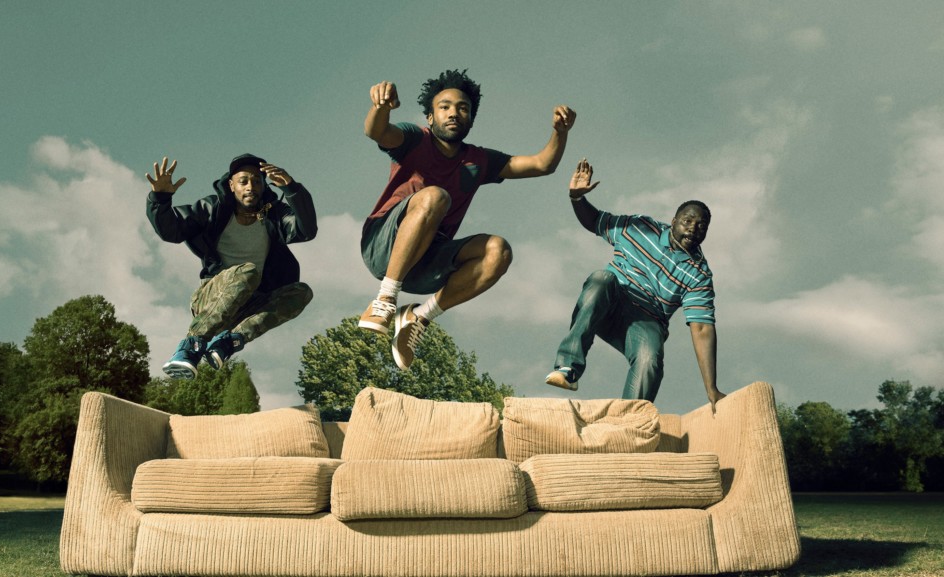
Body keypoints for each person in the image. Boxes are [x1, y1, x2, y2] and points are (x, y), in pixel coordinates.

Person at [358, 69, 577, 370]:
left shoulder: (478, 160)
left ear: (471, 119)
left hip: (424, 264)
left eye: (463, 108)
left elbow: (542, 165)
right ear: (431, 117)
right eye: (444, 107)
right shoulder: (414, 139)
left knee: (498, 250)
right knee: (436, 196)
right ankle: (384, 299)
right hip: (383, 244)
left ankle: (419, 318)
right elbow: (377, 132)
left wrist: (559, 132)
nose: (454, 113)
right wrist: (381, 107)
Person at [546, 158, 726, 411]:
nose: (693, 229)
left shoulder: (699, 274)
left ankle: (628, 421)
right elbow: (595, 221)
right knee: (601, 279)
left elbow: (702, 330)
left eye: (701, 226)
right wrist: (577, 198)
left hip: (647, 319)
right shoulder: (641, 227)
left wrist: (712, 389)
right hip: (612, 299)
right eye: (688, 221)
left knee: (650, 359)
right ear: (673, 221)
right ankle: (568, 368)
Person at [146, 154, 317, 379]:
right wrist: (160, 198)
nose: (250, 187)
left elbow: (306, 230)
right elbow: (172, 231)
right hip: (212, 297)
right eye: (243, 181)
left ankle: (230, 342)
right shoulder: (211, 208)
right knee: (247, 271)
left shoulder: (274, 213)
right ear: (231, 185)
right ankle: (190, 347)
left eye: (257, 181)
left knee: (301, 292)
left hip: (248, 303)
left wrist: (292, 189)